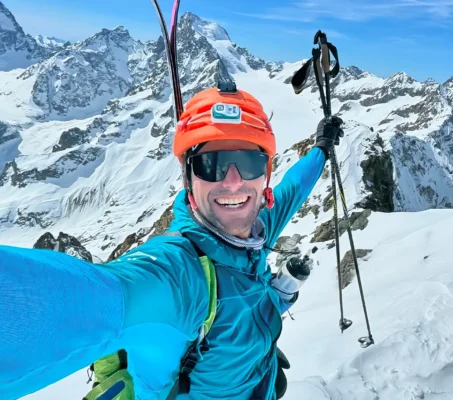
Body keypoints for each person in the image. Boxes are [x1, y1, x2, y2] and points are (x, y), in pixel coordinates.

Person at [0, 85, 344, 400]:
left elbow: (293, 190)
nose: (235, 182)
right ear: (188, 178)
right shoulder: (178, 276)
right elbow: (73, 300)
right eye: (212, 165)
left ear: (265, 174)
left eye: (250, 162)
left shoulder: (257, 225)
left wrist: (321, 149)